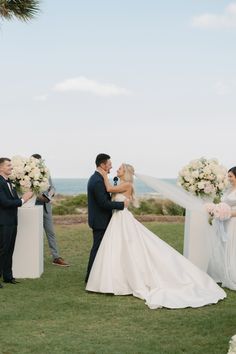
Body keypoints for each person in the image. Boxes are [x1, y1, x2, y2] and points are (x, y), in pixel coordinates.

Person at [86, 163, 226, 309]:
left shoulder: (127, 185)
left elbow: (108, 189)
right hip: (116, 219)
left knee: (128, 246)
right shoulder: (121, 184)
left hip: (122, 219)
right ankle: (115, 279)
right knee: (117, 248)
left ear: (125, 172)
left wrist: (102, 174)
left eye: (120, 169)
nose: (117, 170)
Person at [85, 153, 129, 283]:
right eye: (109, 164)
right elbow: (104, 203)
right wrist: (122, 204)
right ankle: (90, 277)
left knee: (102, 249)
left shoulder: (98, 178)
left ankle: (98, 276)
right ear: (103, 165)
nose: (111, 167)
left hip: (102, 220)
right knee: (97, 248)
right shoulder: (97, 180)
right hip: (100, 221)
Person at [0, 157, 33, 287]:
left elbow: (12, 200)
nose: (11, 167)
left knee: (9, 249)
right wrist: (23, 200)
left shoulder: (10, 181)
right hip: (3, 222)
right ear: (1, 167)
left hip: (12, 221)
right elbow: (4, 202)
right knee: (2, 250)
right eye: (8, 165)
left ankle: (8, 277)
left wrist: (21, 199)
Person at [31, 154, 69, 267]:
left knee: (51, 233)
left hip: (46, 207)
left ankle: (56, 257)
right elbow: (27, 190)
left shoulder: (46, 172)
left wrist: (49, 196)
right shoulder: (27, 175)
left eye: (39, 162)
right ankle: (34, 258)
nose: (38, 164)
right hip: (33, 208)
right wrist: (39, 197)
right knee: (35, 234)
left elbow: (52, 187)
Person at [207, 166, 236, 290]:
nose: (228, 179)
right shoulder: (229, 189)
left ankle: (232, 273)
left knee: (232, 246)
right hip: (224, 222)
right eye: (228, 176)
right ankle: (223, 272)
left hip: (233, 222)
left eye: (231, 176)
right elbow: (224, 203)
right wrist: (216, 210)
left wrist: (228, 213)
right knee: (223, 245)